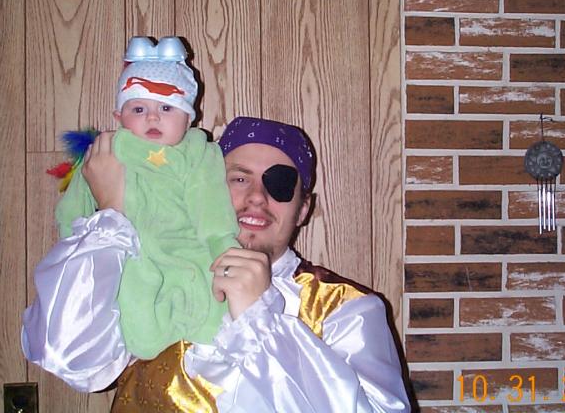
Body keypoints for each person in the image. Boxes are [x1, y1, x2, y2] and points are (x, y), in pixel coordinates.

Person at [22, 116, 410, 412]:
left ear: (304, 208)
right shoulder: (151, 277)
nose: (257, 197)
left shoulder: (346, 311)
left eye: (279, 185)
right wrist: (113, 218)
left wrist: (259, 319)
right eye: (238, 180)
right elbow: (72, 360)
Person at [52, 36, 239, 360]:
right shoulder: (106, 151)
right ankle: (145, 342)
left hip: (188, 253)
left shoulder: (198, 153)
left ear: (189, 117)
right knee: (140, 327)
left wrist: (223, 249)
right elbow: (72, 209)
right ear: (119, 116)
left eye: (167, 108)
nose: (152, 117)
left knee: (210, 316)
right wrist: (74, 244)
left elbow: (212, 211)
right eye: (139, 109)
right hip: (131, 257)